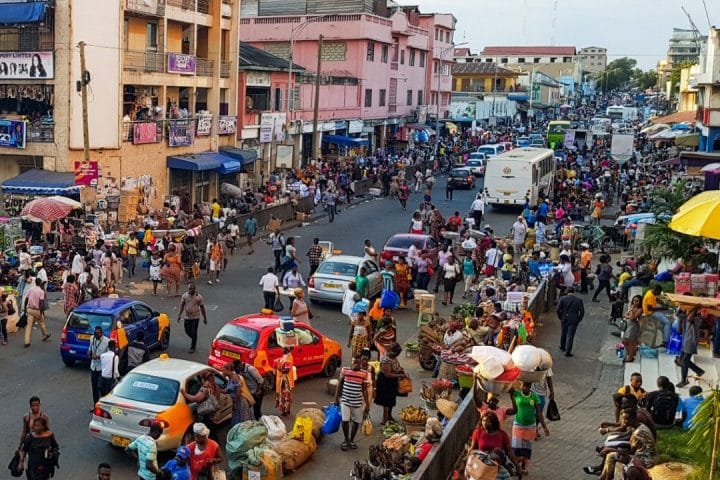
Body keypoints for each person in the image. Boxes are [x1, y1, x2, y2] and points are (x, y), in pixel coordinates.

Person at [509, 383, 549, 475]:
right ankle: (517, 467)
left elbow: (539, 413)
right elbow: (507, 387)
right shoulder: (516, 393)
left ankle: (523, 467)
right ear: (521, 386)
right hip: (518, 424)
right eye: (523, 386)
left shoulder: (534, 397)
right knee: (516, 447)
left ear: (530, 387)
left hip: (530, 426)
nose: (525, 388)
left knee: (526, 449)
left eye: (527, 387)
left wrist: (544, 427)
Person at [335, 357, 370, 451]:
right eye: (354, 363)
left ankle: (351, 440)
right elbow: (340, 385)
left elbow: (364, 389)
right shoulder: (344, 370)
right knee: (345, 421)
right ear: (351, 362)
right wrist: (336, 399)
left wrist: (367, 404)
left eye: (358, 364)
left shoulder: (364, 373)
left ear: (360, 364)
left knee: (356, 422)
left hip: (357, 402)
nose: (356, 365)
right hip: (345, 400)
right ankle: (346, 439)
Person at [375, 342, 406, 425]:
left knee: (391, 400)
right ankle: (385, 419)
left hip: (392, 381)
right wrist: (400, 375)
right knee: (386, 401)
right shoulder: (386, 359)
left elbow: (395, 366)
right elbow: (387, 374)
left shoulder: (393, 357)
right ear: (392, 352)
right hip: (385, 382)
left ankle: (389, 416)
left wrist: (400, 370)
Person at [676, 306, 705, 388]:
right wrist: (681, 308)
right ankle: (699, 371)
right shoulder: (686, 315)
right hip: (685, 340)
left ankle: (683, 380)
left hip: (691, 341)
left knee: (685, 361)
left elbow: (689, 319)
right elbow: (678, 315)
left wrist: (694, 308)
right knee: (681, 360)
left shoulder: (697, 317)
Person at [177, 283, 207, 354]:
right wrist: (179, 315)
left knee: (193, 332)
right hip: (187, 317)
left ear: (194, 289)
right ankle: (194, 338)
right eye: (189, 289)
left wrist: (204, 317)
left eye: (191, 289)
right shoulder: (185, 296)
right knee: (187, 331)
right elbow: (181, 305)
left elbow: (202, 308)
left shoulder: (198, 297)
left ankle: (192, 347)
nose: (189, 290)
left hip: (195, 317)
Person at [556, 286, 585, 357]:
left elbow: (557, 309)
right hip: (574, 319)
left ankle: (562, 346)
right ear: (573, 292)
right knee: (570, 335)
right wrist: (578, 319)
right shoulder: (579, 300)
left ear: (567, 291)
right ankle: (568, 352)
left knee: (563, 332)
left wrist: (560, 316)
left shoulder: (562, 299)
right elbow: (582, 311)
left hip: (564, 318)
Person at [23, 278, 50, 348]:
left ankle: (27, 342)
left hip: (30, 309)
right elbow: (41, 303)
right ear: (40, 283)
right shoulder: (41, 291)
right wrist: (41, 312)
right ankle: (45, 334)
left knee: (29, 326)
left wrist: (25, 309)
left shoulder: (31, 289)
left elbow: (26, 299)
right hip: (37, 310)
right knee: (41, 321)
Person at [88, 325, 110, 407]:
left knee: (100, 386)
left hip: (102, 367)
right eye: (94, 333)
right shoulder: (92, 339)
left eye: (97, 334)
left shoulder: (107, 341)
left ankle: (103, 402)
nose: (95, 335)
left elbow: (108, 356)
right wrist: (89, 353)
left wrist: (98, 357)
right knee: (94, 386)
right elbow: (90, 348)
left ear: (101, 333)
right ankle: (95, 404)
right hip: (93, 366)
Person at [623, 295, 644, 362]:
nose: (635, 302)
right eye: (634, 300)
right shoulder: (632, 306)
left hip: (634, 326)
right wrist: (630, 313)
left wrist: (631, 310)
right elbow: (626, 315)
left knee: (630, 341)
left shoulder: (640, 309)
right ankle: (630, 353)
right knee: (624, 341)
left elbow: (632, 317)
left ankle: (630, 357)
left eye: (637, 301)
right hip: (629, 325)